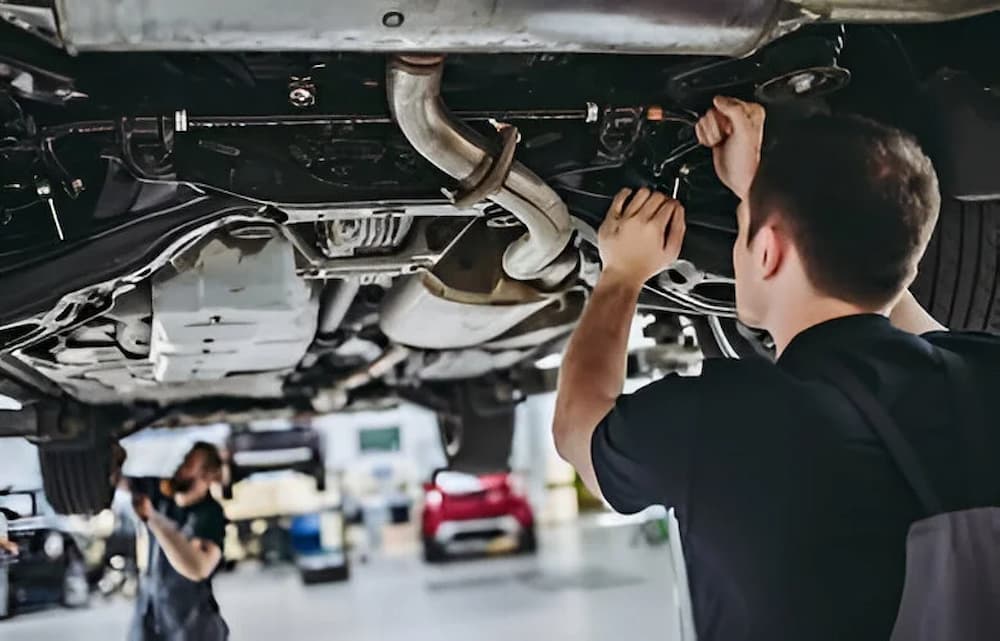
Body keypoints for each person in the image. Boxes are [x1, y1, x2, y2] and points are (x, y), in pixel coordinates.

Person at [552, 96, 999, 640]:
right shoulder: (982, 377)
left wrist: (621, 274)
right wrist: (762, 196)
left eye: (741, 230)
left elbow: (578, 431)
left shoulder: (720, 422)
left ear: (766, 251)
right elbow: (897, 294)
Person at [129, 442, 229, 641]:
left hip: (192, 627)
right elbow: (116, 481)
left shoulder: (209, 513)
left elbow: (199, 567)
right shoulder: (161, 498)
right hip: (152, 615)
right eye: (184, 461)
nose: (181, 468)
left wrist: (154, 520)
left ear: (207, 476)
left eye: (189, 464)